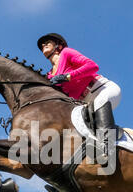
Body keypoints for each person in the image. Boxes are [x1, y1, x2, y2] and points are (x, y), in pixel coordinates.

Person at [37, 33, 122, 162]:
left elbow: (93, 66)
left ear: (58, 46)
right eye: (42, 45)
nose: (43, 45)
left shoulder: (66, 52)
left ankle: (107, 147)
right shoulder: (49, 75)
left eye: (47, 42)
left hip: (102, 89)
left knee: (99, 103)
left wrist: (67, 77)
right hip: (84, 105)